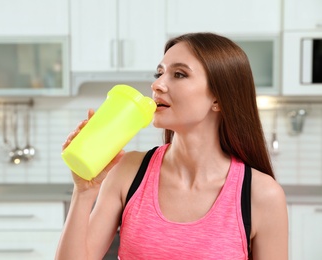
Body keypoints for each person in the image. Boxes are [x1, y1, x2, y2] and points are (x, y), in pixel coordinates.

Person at [55, 32, 288, 260]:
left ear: (218, 99)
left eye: (179, 74)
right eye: (160, 73)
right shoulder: (128, 171)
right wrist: (84, 192)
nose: (157, 85)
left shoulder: (262, 195)